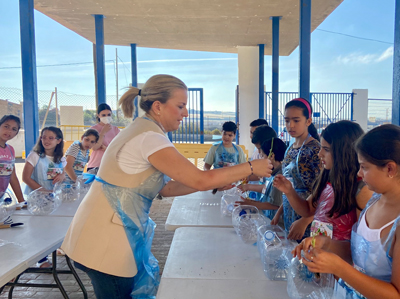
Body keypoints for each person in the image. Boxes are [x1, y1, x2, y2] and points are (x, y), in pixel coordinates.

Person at [61, 74, 272, 299]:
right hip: (106, 236)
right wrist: (251, 167)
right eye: (181, 106)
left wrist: (216, 182)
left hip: (109, 231)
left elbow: (166, 188)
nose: (186, 113)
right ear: (158, 106)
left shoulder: (146, 131)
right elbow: (200, 179)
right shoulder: (149, 137)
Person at [293, 124, 400, 299]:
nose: (359, 172)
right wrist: (326, 244)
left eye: (364, 167)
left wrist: (339, 268)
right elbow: (360, 253)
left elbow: (395, 294)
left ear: (389, 169)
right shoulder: (374, 202)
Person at [273, 121, 372, 241]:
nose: (320, 154)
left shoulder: (361, 189)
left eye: (326, 149)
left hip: (339, 257)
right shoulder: (327, 177)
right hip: (320, 253)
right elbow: (308, 210)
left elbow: (362, 242)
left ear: (344, 152)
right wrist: (289, 191)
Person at [271, 98, 321, 241]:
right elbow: (289, 187)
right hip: (290, 213)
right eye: (287, 120)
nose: (290, 125)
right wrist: (279, 212)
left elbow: (323, 191)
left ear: (308, 121)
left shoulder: (315, 149)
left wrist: (305, 221)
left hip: (308, 219)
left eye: (296, 120)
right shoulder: (290, 148)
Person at [22, 126, 65, 268]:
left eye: (51, 138)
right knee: (38, 229)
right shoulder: (35, 155)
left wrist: (63, 175)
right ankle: (41, 260)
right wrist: (43, 191)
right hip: (37, 200)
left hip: (53, 200)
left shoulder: (60, 158)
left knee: (51, 228)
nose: (46, 140)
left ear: (58, 141)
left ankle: (51, 251)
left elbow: (65, 174)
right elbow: (26, 178)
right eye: (44, 137)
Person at [238, 137, 286, 227]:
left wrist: (252, 204)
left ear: (271, 156)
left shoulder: (280, 176)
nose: (261, 159)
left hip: (278, 225)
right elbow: (267, 190)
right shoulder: (272, 173)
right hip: (268, 218)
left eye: (263, 156)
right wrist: (252, 201)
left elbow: (276, 205)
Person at [246, 125, 278, 201]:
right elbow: (265, 188)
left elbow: (275, 200)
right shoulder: (266, 159)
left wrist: (248, 186)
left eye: (260, 149)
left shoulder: (278, 169)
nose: (259, 152)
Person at [86, 103, 120, 174]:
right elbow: (94, 147)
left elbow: (119, 147)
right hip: (96, 165)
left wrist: (107, 149)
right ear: (98, 115)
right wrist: (102, 133)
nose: (106, 117)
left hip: (111, 165)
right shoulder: (93, 129)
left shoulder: (115, 129)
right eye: (103, 115)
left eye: (109, 115)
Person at [0, 115, 24, 203]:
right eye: (6, 126)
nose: (9, 131)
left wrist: (21, 200)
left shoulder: (10, 150)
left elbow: (12, 176)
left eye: (14, 129)